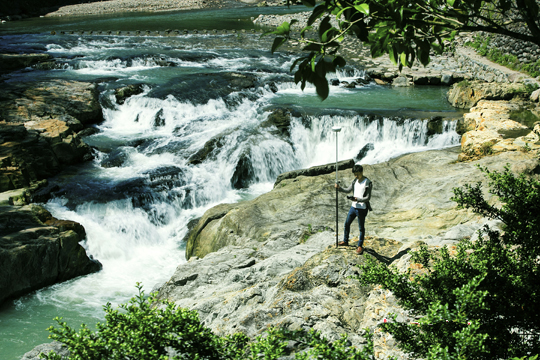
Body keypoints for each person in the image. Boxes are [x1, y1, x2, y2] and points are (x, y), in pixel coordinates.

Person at [335, 164, 372, 255]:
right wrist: (339, 188)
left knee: (361, 228)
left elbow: (368, 198)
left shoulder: (368, 183)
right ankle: (345, 241)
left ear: (362, 172)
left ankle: (360, 246)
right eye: (355, 174)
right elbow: (348, 190)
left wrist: (357, 199)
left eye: (357, 174)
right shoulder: (355, 181)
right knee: (347, 224)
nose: (356, 176)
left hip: (362, 208)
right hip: (353, 207)